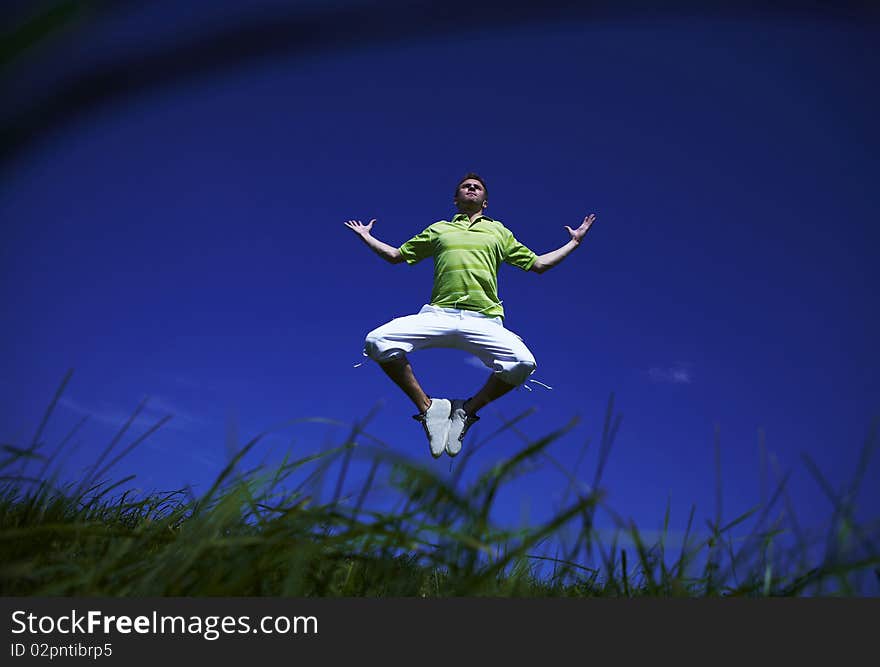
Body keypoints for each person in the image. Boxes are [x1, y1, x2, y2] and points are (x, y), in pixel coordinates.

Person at [344, 173, 597, 459]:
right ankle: (428, 409)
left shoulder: (499, 232)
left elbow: (538, 264)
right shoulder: (439, 229)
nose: (472, 189)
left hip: (484, 319)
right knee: (377, 341)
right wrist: (367, 237)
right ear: (456, 198)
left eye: (477, 187)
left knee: (523, 363)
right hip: (439, 313)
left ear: (485, 201)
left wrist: (574, 243)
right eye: (466, 187)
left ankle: (467, 411)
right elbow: (395, 255)